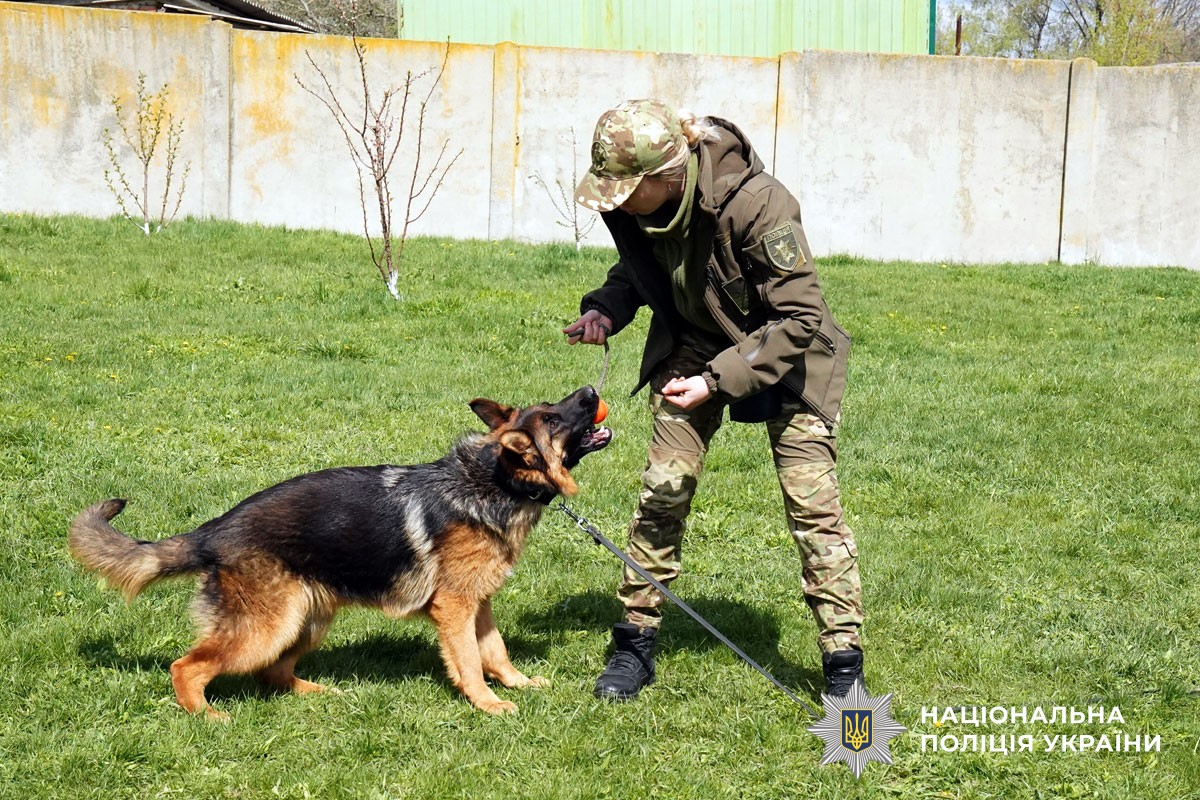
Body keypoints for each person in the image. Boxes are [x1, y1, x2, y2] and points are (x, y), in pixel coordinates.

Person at [562, 99, 864, 701]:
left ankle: (843, 670)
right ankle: (635, 646)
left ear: (666, 175)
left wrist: (719, 380)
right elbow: (642, 271)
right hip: (695, 347)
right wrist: (605, 307)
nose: (613, 200)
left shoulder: (757, 204)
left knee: (813, 510)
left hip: (790, 355)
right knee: (662, 491)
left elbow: (800, 315)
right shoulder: (636, 208)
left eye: (624, 188)